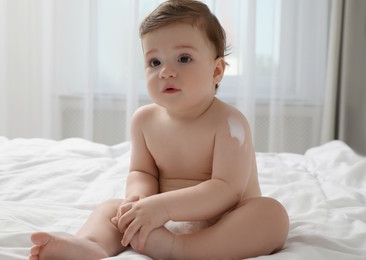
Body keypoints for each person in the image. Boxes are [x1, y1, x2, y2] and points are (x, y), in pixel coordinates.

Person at [29, 0, 289, 259]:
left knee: (271, 216)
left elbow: (226, 189)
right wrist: (138, 199)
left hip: (222, 222)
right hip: (157, 218)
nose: (166, 72)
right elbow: (141, 171)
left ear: (217, 70)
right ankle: (91, 246)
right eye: (154, 62)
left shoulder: (229, 123)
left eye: (183, 58)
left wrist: (163, 208)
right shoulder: (144, 120)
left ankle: (184, 249)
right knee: (110, 210)